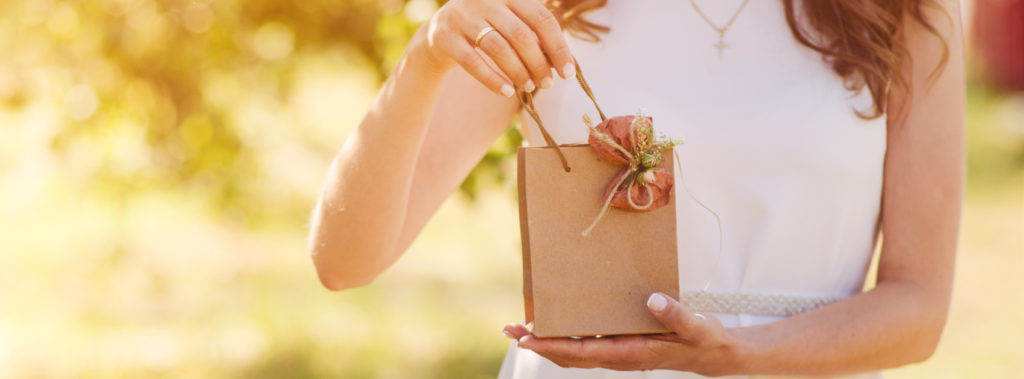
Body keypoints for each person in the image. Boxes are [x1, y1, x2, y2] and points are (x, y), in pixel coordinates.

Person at [307, 0, 965, 377]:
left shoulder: (903, 12)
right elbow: (345, 259)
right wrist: (426, 57)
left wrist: (740, 355)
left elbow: (919, 307)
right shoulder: (553, 4)